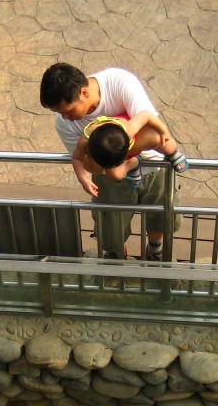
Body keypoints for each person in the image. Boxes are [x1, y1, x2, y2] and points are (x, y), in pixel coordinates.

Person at [40, 63, 184, 261]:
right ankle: (117, 255)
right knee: (111, 224)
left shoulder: (119, 82)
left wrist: (107, 154)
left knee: (161, 215)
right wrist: (120, 155)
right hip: (110, 175)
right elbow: (88, 163)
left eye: (68, 110)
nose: (65, 117)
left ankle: (155, 249)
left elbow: (150, 128)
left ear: (83, 92)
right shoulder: (64, 122)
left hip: (153, 164)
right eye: (59, 112)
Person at [75, 111, 188, 185]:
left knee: (164, 142)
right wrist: (83, 179)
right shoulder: (86, 138)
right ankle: (133, 163)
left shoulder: (129, 129)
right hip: (114, 150)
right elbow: (77, 158)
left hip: (131, 142)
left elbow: (146, 115)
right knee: (114, 175)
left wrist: (163, 131)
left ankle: (173, 153)